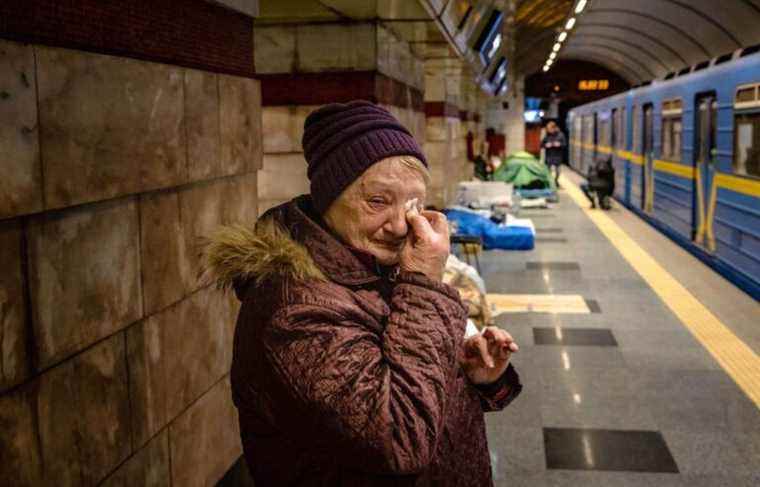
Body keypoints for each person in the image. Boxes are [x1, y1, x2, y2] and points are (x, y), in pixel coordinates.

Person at [204, 101, 522, 486]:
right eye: (377, 201)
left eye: (414, 204)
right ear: (328, 199)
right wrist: (425, 284)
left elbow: (416, 388)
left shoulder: (376, 270)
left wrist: (474, 377)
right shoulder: (294, 306)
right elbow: (400, 438)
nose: (401, 224)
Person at [541, 120, 566, 187]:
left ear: (554, 128)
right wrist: (546, 145)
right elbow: (542, 144)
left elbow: (564, 144)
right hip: (549, 156)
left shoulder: (561, 135)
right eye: (548, 129)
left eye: (550, 129)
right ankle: (550, 182)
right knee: (548, 171)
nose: (548, 130)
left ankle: (556, 180)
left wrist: (559, 144)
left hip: (558, 156)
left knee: (558, 171)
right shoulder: (547, 135)